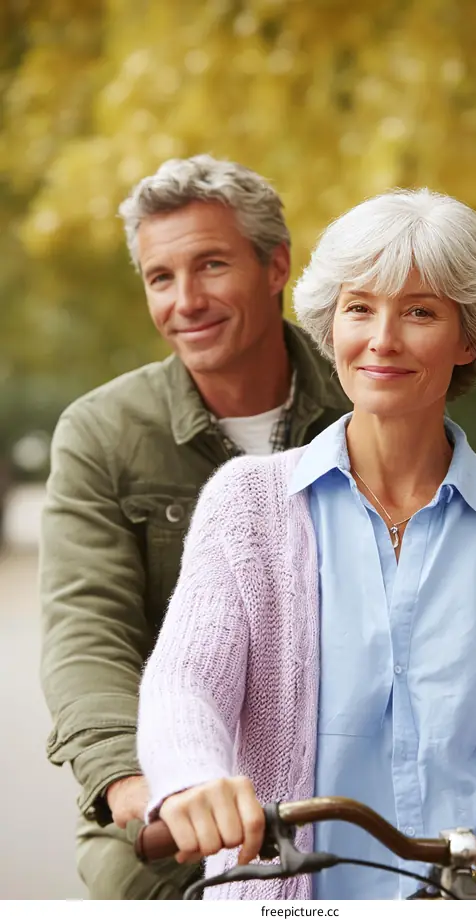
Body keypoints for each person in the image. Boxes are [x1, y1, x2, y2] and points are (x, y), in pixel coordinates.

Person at [137, 188, 476, 900]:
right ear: (332, 323)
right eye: (360, 308)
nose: (382, 338)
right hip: (293, 898)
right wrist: (192, 778)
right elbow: (187, 679)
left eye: (419, 311)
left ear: (468, 335)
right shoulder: (250, 504)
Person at [39, 154, 351, 900]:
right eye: (160, 277)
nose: (186, 300)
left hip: (356, 790)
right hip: (179, 813)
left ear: (275, 266)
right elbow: (87, 630)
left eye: (210, 265)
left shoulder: (368, 396)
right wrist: (133, 784)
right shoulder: (104, 433)